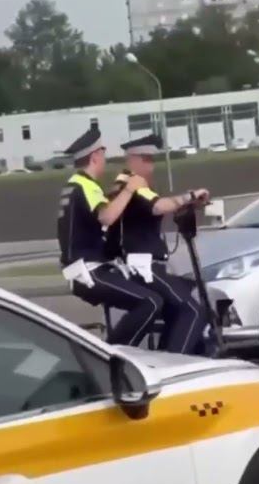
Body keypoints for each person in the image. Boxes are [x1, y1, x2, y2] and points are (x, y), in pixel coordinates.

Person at [57, 128, 164, 346]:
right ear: (95, 156)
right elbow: (106, 217)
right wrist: (129, 190)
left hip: (83, 269)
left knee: (147, 298)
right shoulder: (86, 185)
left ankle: (118, 349)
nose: (105, 159)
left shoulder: (72, 186)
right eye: (103, 153)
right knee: (150, 301)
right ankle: (113, 355)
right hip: (90, 270)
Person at [106, 134, 212, 355]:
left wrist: (188, 203)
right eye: (146, 159)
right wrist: (190, 195)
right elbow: (159, 206)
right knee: (193, 311)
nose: (150, 166)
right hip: (143, 266)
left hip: (145, 264)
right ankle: (175, 362)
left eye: (151, 160)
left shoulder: (127, 184)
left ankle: (168, 353)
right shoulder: (132, 183)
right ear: (133, 159)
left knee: (178, 305)